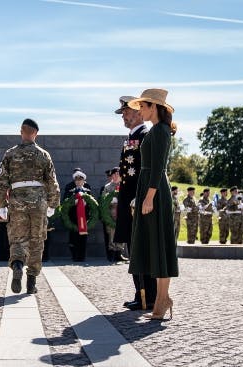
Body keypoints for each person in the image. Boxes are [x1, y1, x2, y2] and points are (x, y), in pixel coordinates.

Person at [128, 88, 178, 320]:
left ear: (154, 107)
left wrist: (149, 197)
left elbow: (158, 167)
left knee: (160, 243)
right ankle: (161, 299)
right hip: (150, 187)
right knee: (155, 243)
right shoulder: (157, 131)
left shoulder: (160, 131)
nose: (140, 112)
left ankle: (162, 299)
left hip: (155, 191)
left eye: (143, 107)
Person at [0, 118, 60, 294]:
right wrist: (53, 203)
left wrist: (1, 204)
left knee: (18, 238)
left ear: (21, 132)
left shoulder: (10, 154)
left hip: (17, 200)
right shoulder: (43, 155)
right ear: (36, 134)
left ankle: (17, 265)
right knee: (36, 240)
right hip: (38, 202)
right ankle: (31, 282)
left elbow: (1, 181)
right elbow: (52, 181)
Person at [113, 96, 156, 311]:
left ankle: (148, 295)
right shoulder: (132, 136)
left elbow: (146, 171)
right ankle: (142, 294)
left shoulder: (145, 136)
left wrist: (139, 199)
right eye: (123, 113)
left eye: (126, 112)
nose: (124, 116)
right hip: (129, 201)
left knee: (141, 249)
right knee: (133, 249)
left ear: (139, 111)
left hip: (136, 202)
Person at [65, 170, 92, 261]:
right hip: (73, 218)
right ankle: (74, 255)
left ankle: (82, 256)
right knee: (73, 238)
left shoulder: (87, 191)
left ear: (84, 181)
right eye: (76, 180)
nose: (78, 182)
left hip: (84, 218)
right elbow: (65, 203)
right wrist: (73, 201)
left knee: (83, 237)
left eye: (80, 180)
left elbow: (92, 204)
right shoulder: (71, 191)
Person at [102, 167, 125, 262]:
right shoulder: (108, 187)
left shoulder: (124, 186)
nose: (116, 176)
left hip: (122, 213)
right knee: (111, 234)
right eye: (114, 174)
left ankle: (119, 254)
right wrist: (111, 200)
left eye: (118, 174)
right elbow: (104, 200)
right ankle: (111, 254)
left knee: (121, 233)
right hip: (111, 213)